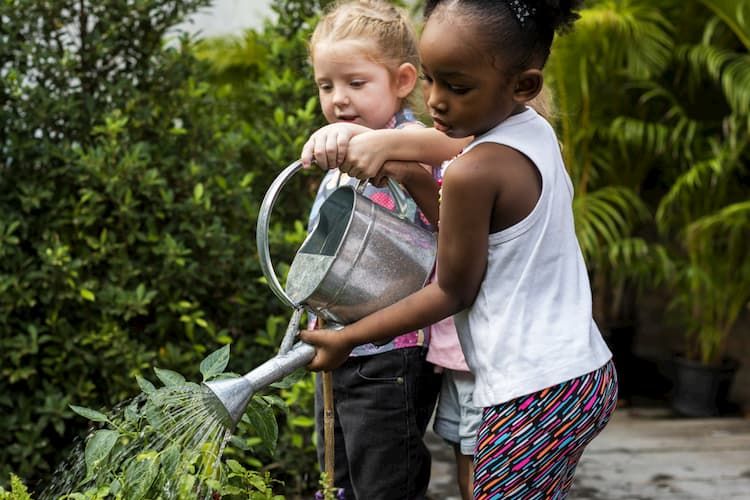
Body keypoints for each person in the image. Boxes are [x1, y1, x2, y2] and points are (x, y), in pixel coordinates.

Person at [299, 1, 619, 498]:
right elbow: (452, 172)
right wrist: (392, 151)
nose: (436, 101)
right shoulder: (534, 131)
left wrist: (348, 338)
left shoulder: (474, 171)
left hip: (528, 391)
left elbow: (452, 289)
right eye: (430, 80)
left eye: (457, 86)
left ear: (523, 85)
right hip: (580, 373)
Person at [298, 2, 462, 499]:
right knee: (340, 477)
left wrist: (362, 138)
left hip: (393, 355)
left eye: (355, 83)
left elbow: (444, 205)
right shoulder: (339, 160)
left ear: (403, 80)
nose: (339, 100)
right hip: (342, 346)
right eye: (327, 86)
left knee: (385, 482)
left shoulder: (413, 139)